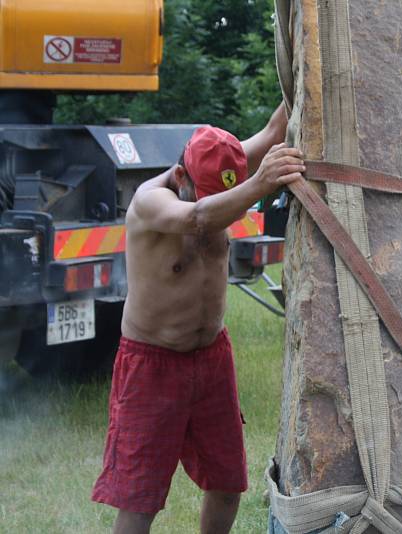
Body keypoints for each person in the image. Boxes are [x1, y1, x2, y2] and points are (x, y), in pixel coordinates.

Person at [91, 104, 305, 534]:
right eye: (205, 192)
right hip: (151, 364)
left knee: (228, 484)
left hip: (211, 359)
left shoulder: (218, 167)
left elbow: (271, 130)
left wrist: (305, 50)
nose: (217, 201)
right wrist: (259, 183)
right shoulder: (151, 202)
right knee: (139, 498)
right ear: (181, 175)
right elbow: (199, 217)